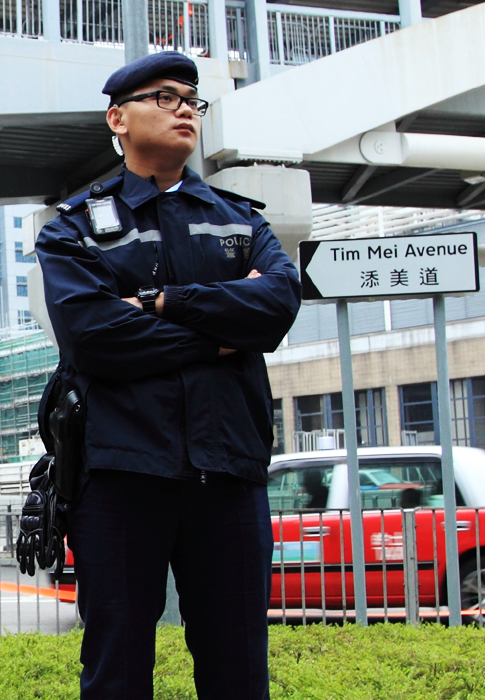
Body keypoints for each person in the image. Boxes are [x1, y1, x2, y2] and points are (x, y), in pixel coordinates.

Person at [35, 51, 302, 700]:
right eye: (164, 97)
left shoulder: (241, 221)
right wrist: (220, 334)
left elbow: (275, 308)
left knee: (238, 668)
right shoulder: (74, 229)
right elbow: (95, 339)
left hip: (229, 472)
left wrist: (162, 303)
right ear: (117, 119)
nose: (185, 108)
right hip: (121, 477)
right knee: (117, 670)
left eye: (192, 99)